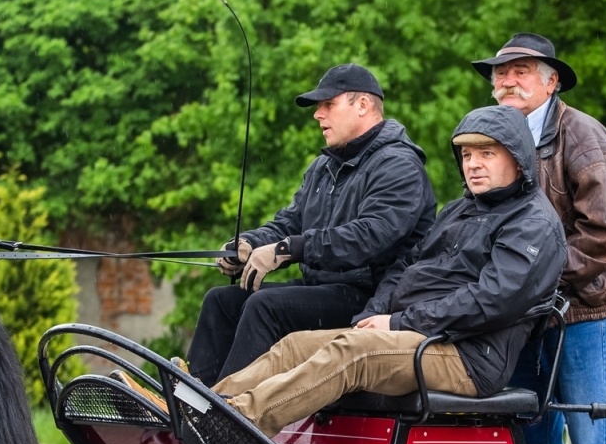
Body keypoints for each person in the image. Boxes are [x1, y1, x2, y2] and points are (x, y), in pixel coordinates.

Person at [212, 105, 564, 436]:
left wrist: (398, 323)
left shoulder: (533, 224)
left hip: (467, 356)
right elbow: (407, 265)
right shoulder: (460, 210)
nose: (473, 164)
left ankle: (241, 421)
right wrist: (373, 314)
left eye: (487, 153)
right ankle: (205, 406)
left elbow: (491, 300)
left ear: (518, 160)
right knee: (295, 345)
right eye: (467, 155)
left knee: (355, 353)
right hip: (418, 334)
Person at [186, 63, 436, 384]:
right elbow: (289, 222)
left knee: (266, 306)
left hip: (371, 300)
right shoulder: (323, 167)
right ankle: (191, 398)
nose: (318, 115)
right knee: (221, 301)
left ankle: (228, 411)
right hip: (323, 290)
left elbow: (368, 237)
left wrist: (290, 249)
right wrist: (249, 244)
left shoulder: (399, 165)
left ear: (363, 105)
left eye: (328, 104)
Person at [470, 33, 606, 444]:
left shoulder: (582, 133)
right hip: (523, 316)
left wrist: (537, 280)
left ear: (551, 81)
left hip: (583, 312)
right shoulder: (494, 139)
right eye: (500, 74)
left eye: (520, 72)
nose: (507, 82)